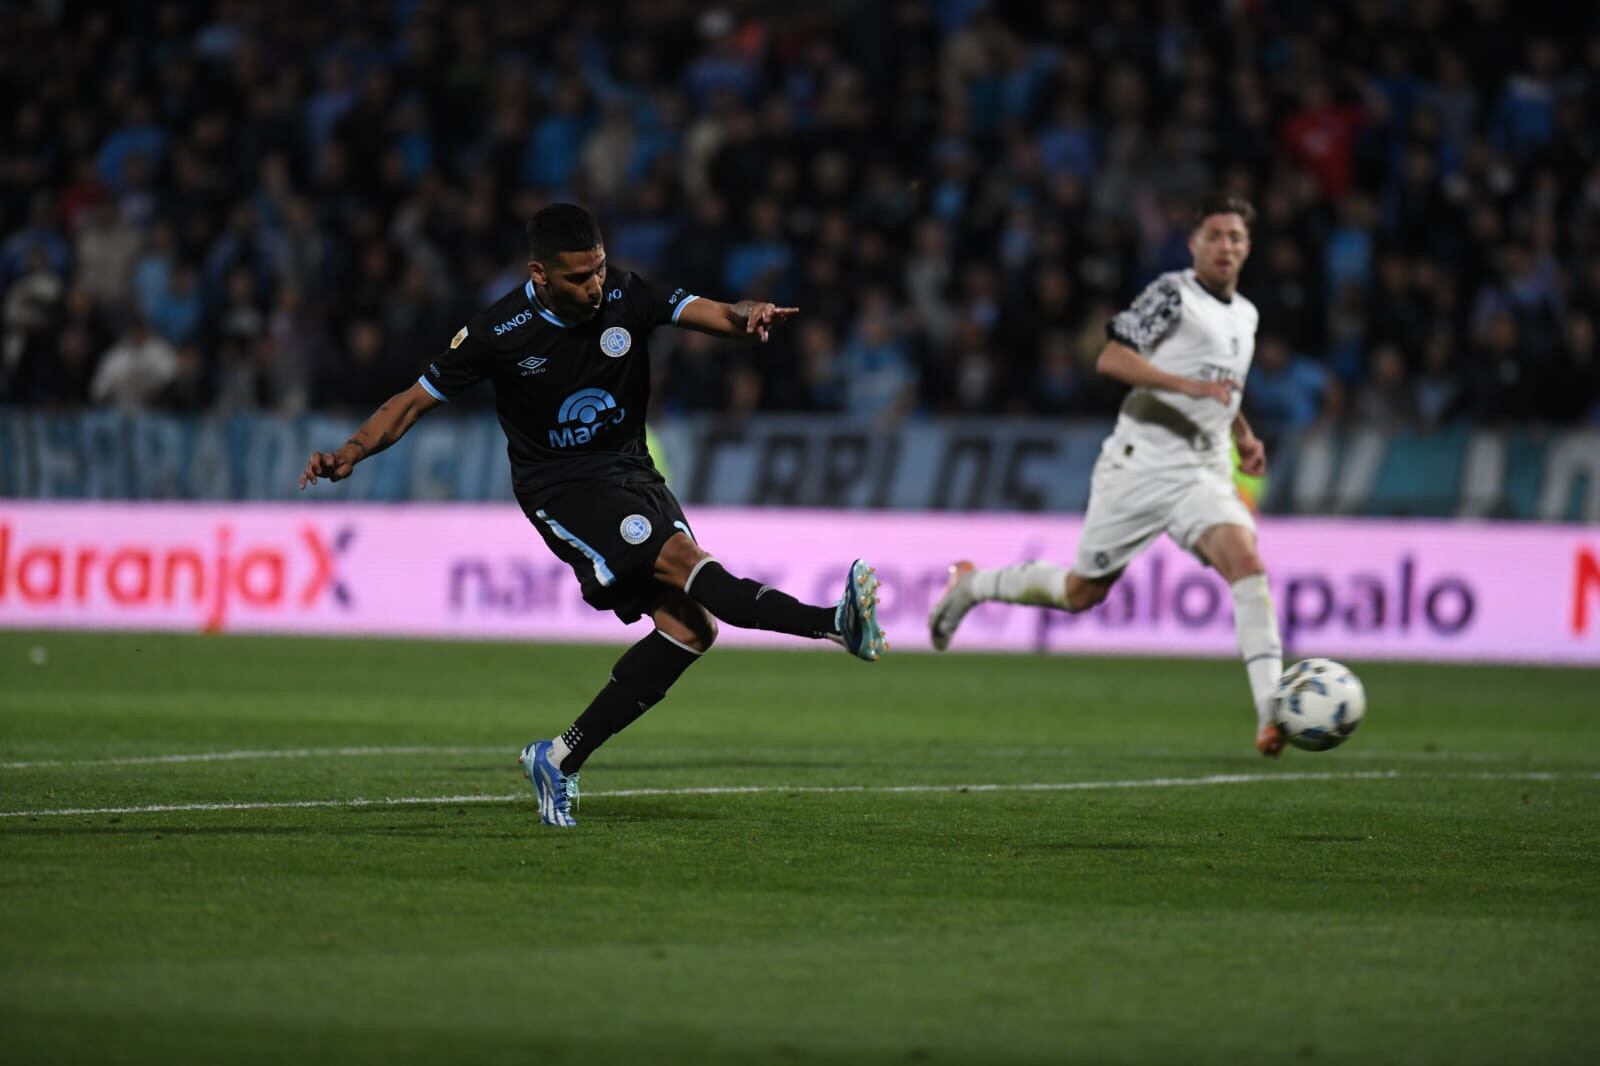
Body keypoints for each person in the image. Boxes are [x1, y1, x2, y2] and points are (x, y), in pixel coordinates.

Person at [301, 203, 887, 826]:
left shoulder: (624, 294)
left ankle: (557, 758)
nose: (595, 285)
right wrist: (352, 452)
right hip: (563, 489)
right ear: (541, 273)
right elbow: (412, 402)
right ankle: (833, 622)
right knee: (688, 564)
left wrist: (745, 317)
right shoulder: (500, 332)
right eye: (579, 277)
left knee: (691, 629)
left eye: (600, 269)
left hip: (633, 473)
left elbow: (700, 310)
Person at [929, 193, 1288, 757]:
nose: (1225, 247)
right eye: (1215, 236)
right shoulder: (1172, 295)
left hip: (1203, 468)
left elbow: (1223, 385)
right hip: (1140, 465)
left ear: (1248, 248)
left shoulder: (1246, 313)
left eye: (1236, 238)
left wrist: (1241, 433)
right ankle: (972, 585)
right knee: (1081, 592)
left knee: (1247, 564)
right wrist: (1188, 386)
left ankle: (1273, 712)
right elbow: (1112, 358)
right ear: (1194, 243)